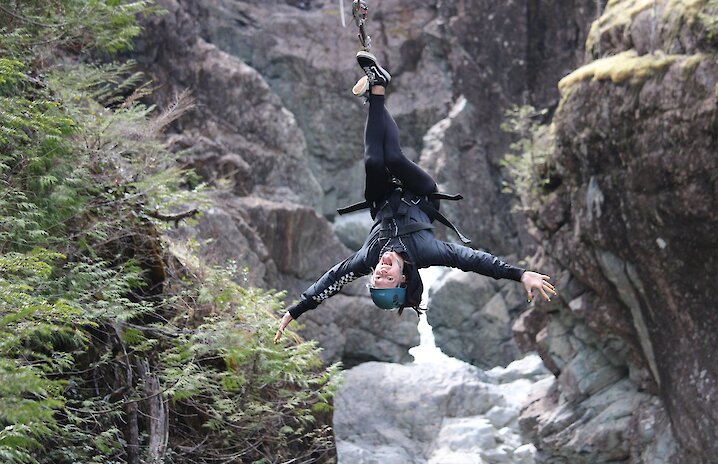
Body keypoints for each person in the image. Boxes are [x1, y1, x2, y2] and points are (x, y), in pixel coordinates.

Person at [274, 51, 556, 343]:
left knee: (373, 161)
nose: (381, 270)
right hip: (420, 194)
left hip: (382, 199)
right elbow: (474, 260)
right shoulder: (427, 252)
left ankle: (377, 88)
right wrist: (521, 274)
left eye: (377, 278)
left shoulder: (368, 257)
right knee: (393, 158)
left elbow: (332, 281)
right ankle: (377, 90)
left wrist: (296, 310)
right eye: (388, 277)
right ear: (402, 278)